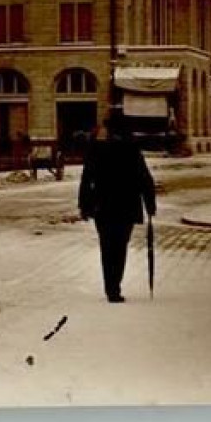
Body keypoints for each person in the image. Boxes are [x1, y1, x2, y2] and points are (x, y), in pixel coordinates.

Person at [78, 111, 157, 303]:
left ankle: (110, 287)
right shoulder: (131, 149)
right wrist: (149, 204)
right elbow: (144, 178)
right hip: (126, 206)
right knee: (120, 247)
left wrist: (84, 205)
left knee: (107, 247)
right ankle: (115, 285)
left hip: (102, 206)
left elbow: (86, 179)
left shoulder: (96, 149)